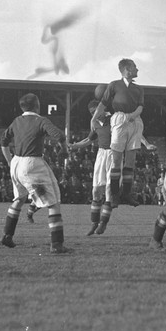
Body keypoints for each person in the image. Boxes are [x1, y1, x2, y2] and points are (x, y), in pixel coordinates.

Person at [0, 93, 71, 253]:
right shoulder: (40, 120)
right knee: (53, 203)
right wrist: (64, 150)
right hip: (32, 164)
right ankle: (57, 244)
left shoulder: (17, 121)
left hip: (16, 163)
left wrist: (10, 162)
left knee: (19, 199)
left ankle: (7, 235)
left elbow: (3, 141)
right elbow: (59, 135)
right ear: (37, 105)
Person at [91, 58, 144, 207]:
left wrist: (133, 116)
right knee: (116, 160)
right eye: (135, 67)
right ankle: (114, 194)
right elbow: (103, 103)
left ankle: (126, 193)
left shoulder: (139, 89)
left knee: (131, 160)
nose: (137, 69)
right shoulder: (114, 85)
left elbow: (140, 106)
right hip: (120, 119)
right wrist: (93, 119)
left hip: (135, 120)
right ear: (127, 70)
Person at [70, 99, 115, 235]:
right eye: (91, 113)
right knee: (96, 191)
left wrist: (146, 144)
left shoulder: (114, 119)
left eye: (95, 111)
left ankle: (103, 223)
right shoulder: (96, 124)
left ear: (101, 109)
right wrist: (74, 145)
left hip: (114, 154)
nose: (93, 114)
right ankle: (94, 223)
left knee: (109, 190)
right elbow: (89, 140)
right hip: (101, 155)